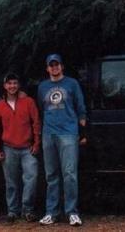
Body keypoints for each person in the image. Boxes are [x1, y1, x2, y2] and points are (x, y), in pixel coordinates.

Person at [37, 54, 87, 226]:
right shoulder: (43, 87)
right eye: (51, 65)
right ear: (47, 68)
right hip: (48, 134)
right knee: (51, 175)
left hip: (68, 133)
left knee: (70, 174)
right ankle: (52, 212)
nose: (54, 67)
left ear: (62, 66)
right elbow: (41, 109)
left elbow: (81, 109)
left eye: (57, 64)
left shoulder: (72, 84)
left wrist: (82, 131)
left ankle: (72, 212)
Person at [0, 73, 41, 223]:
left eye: (14, 83)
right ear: (5, 86)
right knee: (11, 182)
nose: (12, 86)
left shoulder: (28, 102)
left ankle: (28, 210)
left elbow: (36, 123)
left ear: (18, 85)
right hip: (8, 148)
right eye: (9, 83)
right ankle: (12, 211)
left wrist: (36, 143)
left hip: (27, 149)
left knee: (31, 179)